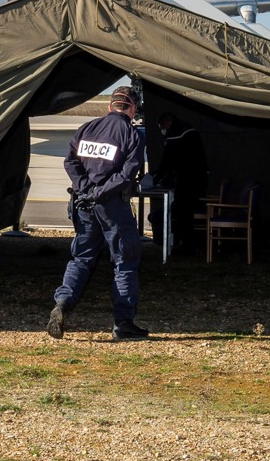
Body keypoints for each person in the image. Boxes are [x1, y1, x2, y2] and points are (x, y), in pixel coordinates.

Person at [47, 86, 148, 341]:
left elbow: (70, 161)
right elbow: (127, 174)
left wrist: (85, 189)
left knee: (81, 258)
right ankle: (123, 324)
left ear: (109, 106)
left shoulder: (88, 128)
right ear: (132, 109)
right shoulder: (131, 134)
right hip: (112, 205)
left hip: (83, 204)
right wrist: (100, 192)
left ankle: (62, 306)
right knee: (125, 261)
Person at [151, 112, 207, 252]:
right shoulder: (188, 130)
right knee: (184, 212)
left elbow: (167, 160)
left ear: (168, 123)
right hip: (196, 178)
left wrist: (156, 178)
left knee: (182, 213)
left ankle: (186, 245)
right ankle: (185, 243)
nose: (163, 131)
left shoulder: (177, 134)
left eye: (162, 127)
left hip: (188, 179)